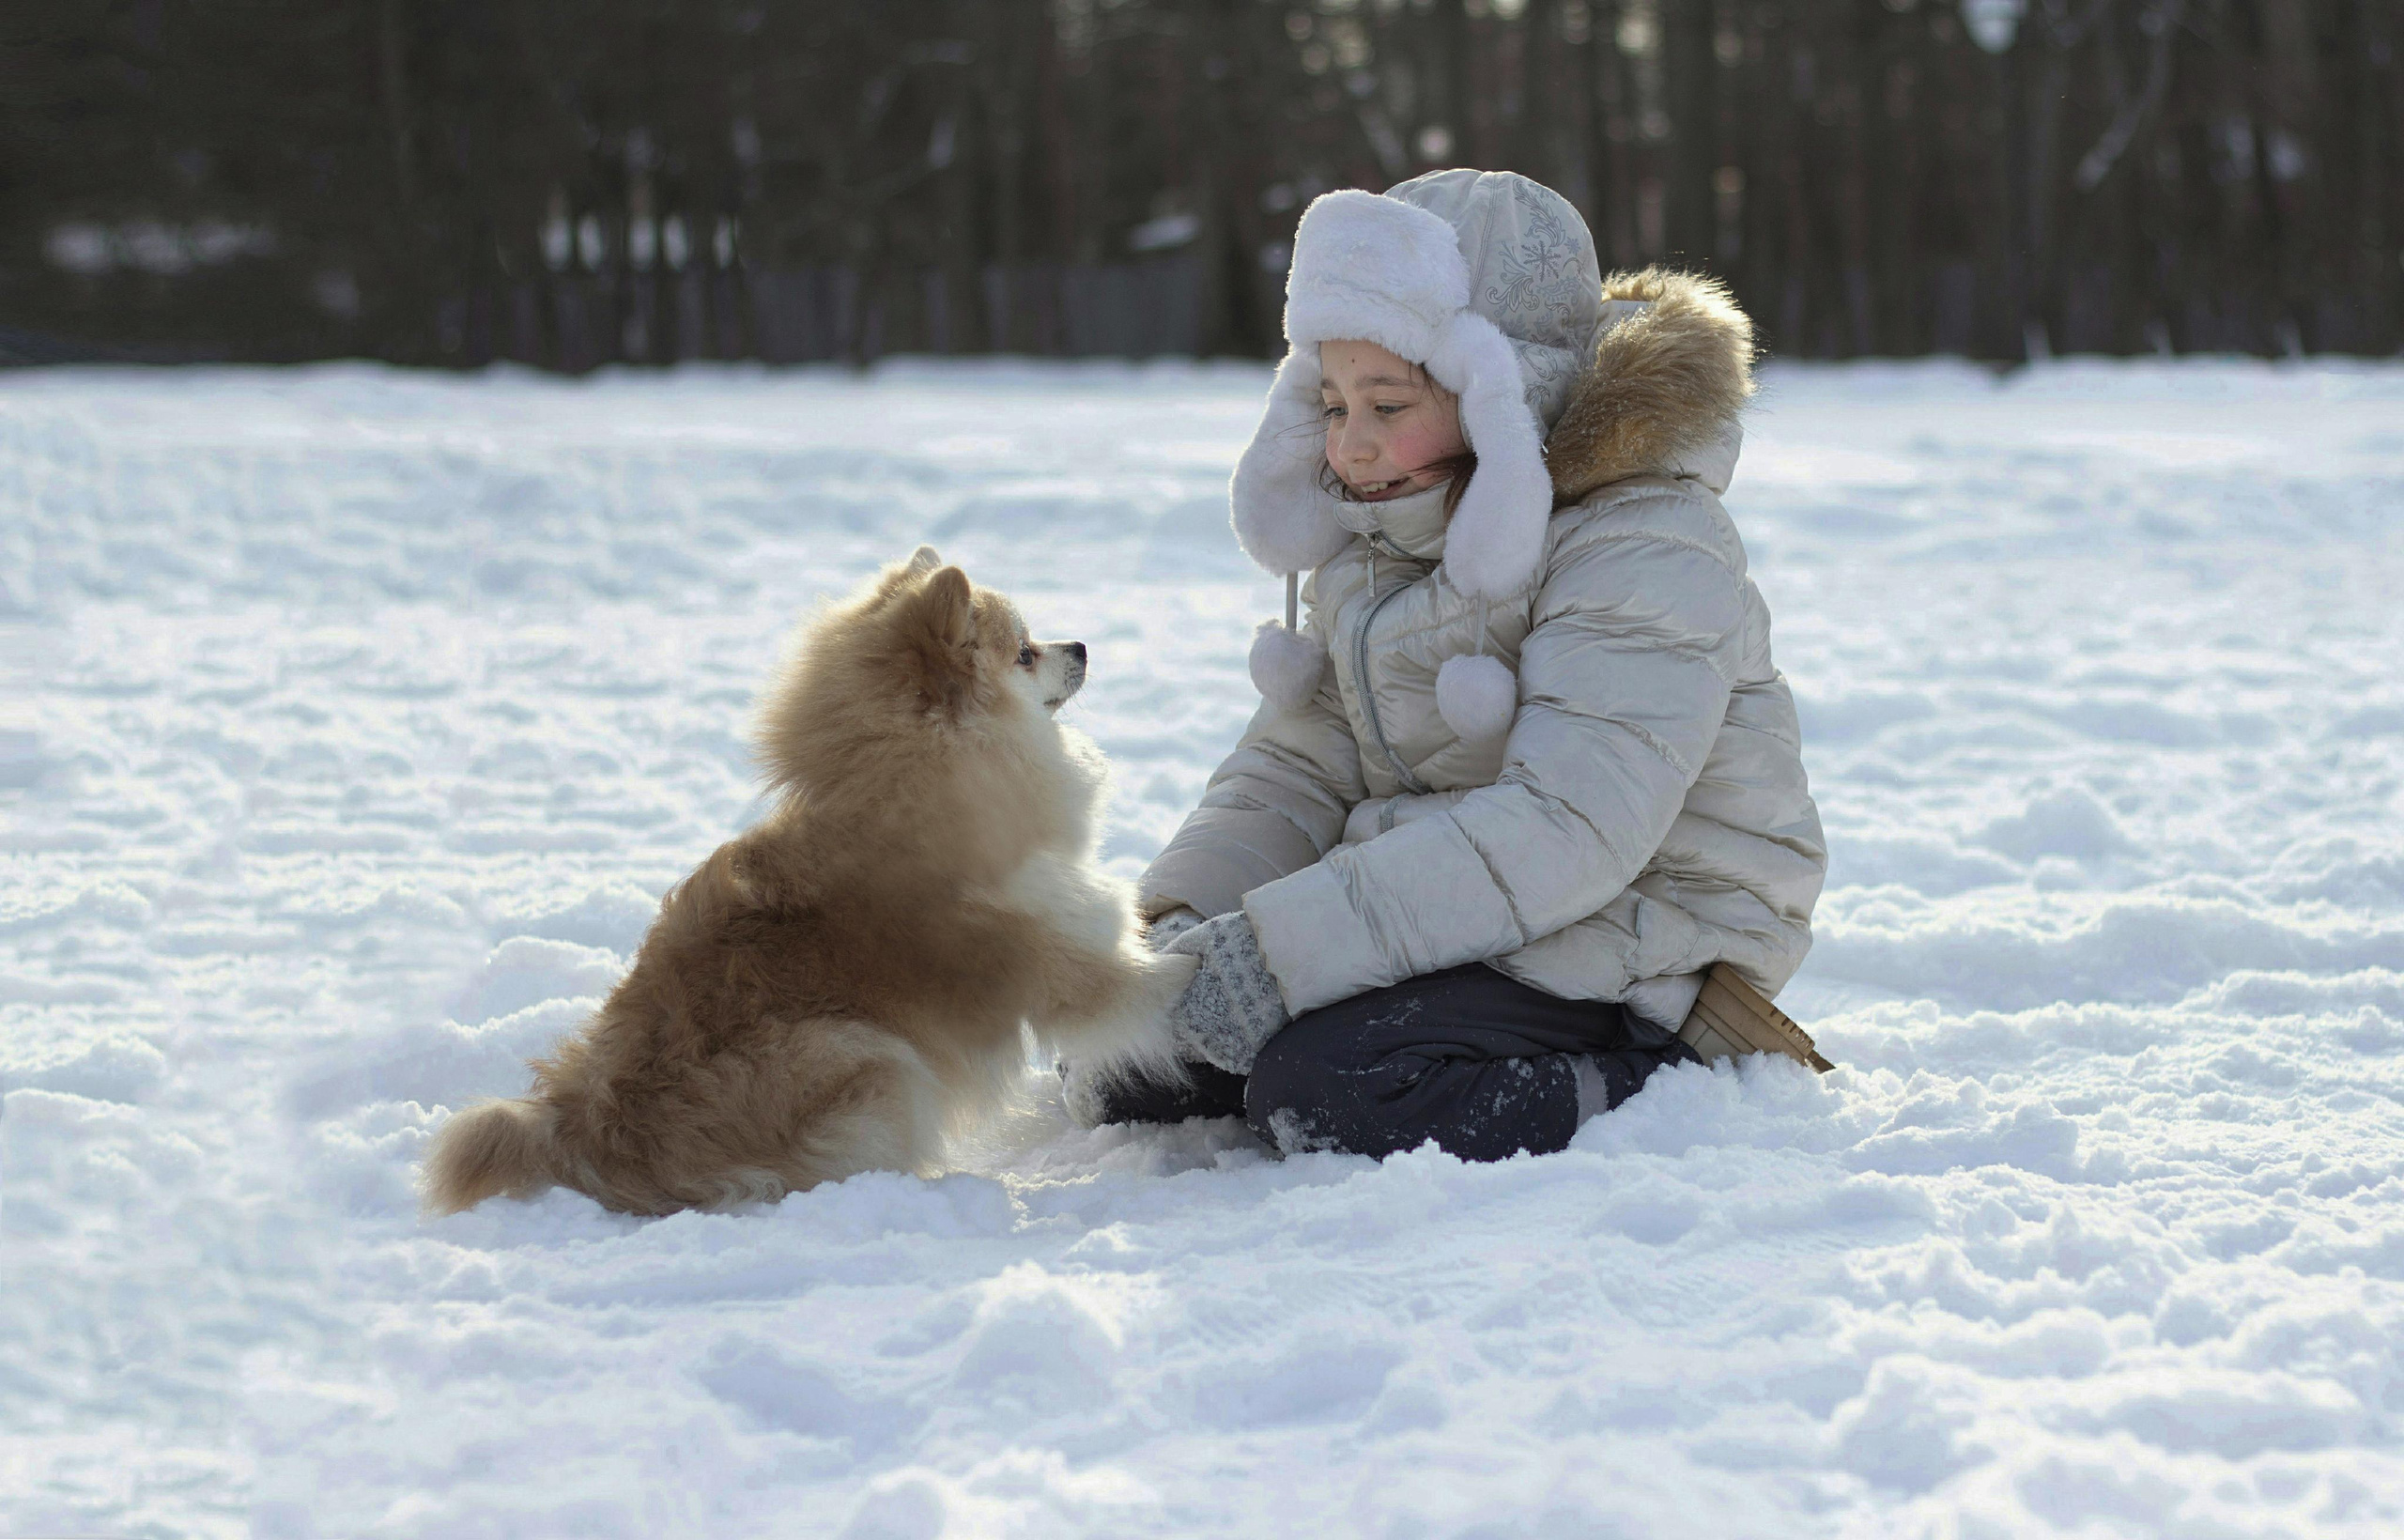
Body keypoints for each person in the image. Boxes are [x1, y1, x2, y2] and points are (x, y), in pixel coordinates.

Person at [1066, 168, 1826, 1160]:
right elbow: (1292, 771)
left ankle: (1677, 1080)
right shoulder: (1382, 539)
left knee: (1332, 1085)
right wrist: (1174, 927)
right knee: (1133, 1063)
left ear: (1505, 390)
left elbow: (1568, 828)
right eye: (1332, 404)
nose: (1352, 447)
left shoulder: (1647, 540)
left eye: (1388, 404)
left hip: (1648, 926)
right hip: (1465, 910)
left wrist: (1272, 957)